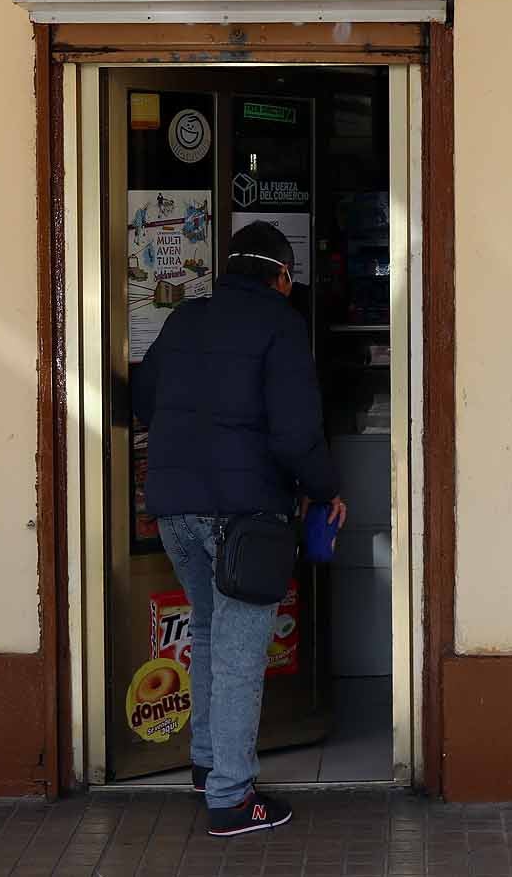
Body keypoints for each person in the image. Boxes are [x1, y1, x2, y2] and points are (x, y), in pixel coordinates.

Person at [132, 221, 346, 837]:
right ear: (281, 277)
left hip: (175, 509)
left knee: (206, 631)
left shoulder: (184, 320)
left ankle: (207, 765)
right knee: (238, 651)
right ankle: (230, 797)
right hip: (245, 517)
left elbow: (145, 398)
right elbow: (294, 433)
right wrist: (326, 491)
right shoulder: (280, 325)